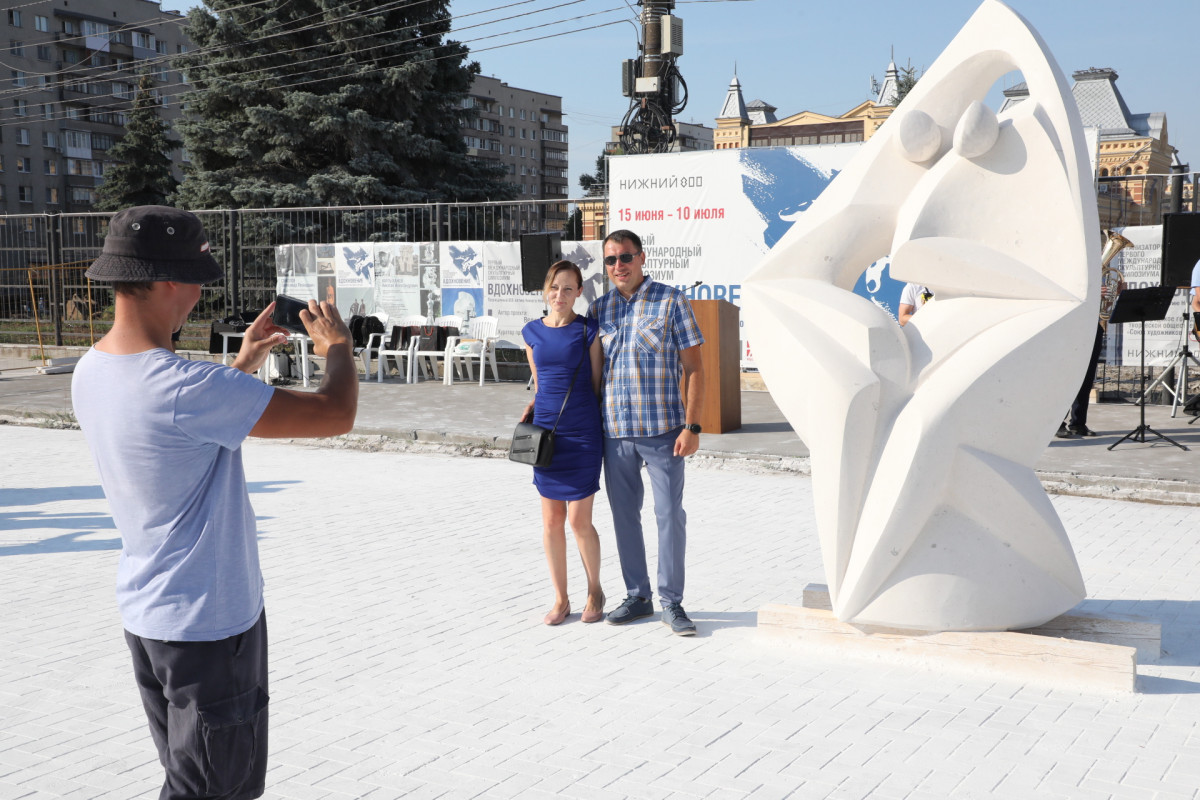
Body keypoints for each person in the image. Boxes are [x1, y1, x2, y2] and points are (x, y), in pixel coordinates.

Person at [70, 206, 359, 800]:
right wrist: (337, 347)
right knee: (215, 790)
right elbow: (336, 414)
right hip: (210, 628)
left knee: (188, 778)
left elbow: (182, 435)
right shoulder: (187, 388)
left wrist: (243, 363)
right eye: (199, 278)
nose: (201, 293)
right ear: (168, 281)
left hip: (152, 619)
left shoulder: (92, 370)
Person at [589, 230, 705, 636]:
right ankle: (638, 597)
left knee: (669, 515)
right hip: (615, 433)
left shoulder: (671, 300)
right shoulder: (599, 308)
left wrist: (692, 426)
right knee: (624, 517)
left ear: (641, 258)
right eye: (610, 260)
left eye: (625, 258)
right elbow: (591, 373)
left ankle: (672, 602)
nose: (618, 266)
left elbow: (695, 369)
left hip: (664, 431)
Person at [520, 261, 606, 625]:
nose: (560, 295)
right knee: (552, 521)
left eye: (568, 289)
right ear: (546, 290)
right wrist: (533, 408)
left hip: (582, 434)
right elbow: (538, 383)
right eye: (555, 288)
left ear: (579, 293)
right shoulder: (531, 332)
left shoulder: (588, 330)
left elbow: (596, 384)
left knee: (578, 521)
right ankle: (560, 598)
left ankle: (595, 590)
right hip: (547, 435)